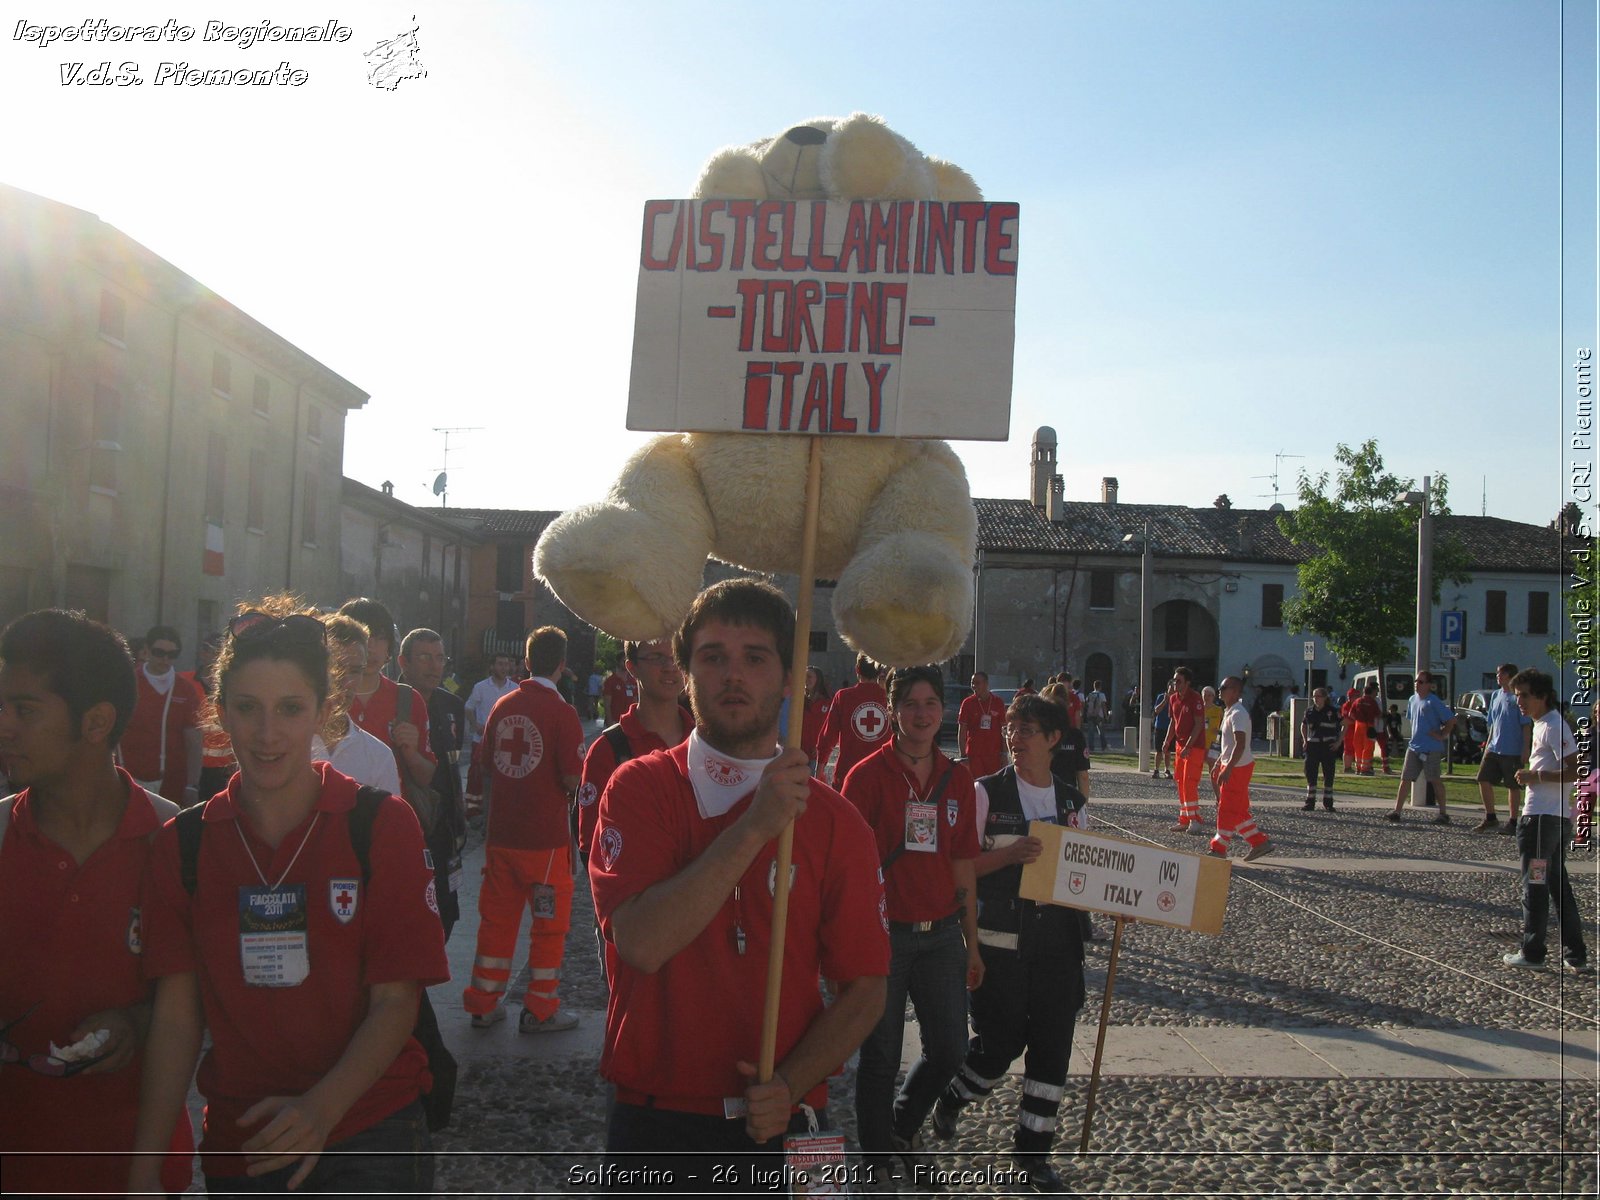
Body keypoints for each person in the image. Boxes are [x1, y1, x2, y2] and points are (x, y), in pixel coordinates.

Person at [130, 599, 449, 1195]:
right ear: (220, 713)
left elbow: (395, 1001)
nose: (268, 733)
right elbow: (176, 1016)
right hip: (246, 1134)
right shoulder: (186, 845)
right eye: (247, 709)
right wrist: (147, 1166)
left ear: (324, 713)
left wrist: (319, 1111)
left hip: (367, 1127)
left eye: (290, 709)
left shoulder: (379, 825)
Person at [589, 579, 888, 1187]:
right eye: (713, 657)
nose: (733, 675)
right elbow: (642, 942)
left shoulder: (837, 821)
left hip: (791, 1116)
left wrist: (791, 1083)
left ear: (790, 678)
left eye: (755, 658)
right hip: (658, 1120)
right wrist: (755, 827)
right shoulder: (636, 789)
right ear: (686, 671)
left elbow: (865, 990)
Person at [0, 610, 194, 1195]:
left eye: (25, 711)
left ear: (96, 722)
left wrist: (135, 1023)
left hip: (137, 1170)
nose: (3, 726)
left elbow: (194, 1006)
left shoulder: (176, 843)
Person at [931, 694, 1086, 1193]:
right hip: (1000, 941)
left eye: (1028, 731)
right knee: (998, 1046)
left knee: (1052, 1048)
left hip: (1058, 945)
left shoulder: (1070, 801)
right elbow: (961, 867)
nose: (1016, 739)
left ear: (1054, 739)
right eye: (1012, 729)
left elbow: (1086, 872)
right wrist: (1011, 856)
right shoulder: (985, 793)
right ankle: (956, 1094)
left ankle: (1033, 1154)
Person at [841, 665, 982, 1180]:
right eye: (911, 704)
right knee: (878, 1058)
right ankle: (876, 1159)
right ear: (893, 712)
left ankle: (902, 1122)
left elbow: (963, 859)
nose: (921, 714)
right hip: (884, 938)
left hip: (943, 933)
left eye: (930, 703)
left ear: (941, 710)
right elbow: (848, 866)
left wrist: (973, 943)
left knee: (950, 1049)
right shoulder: (866, 776)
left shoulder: (957, 777)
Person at [465, 625, 586, 1033]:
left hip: (502, 839)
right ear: (562, 665)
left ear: (526, 662)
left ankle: (482, 1003)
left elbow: (484, 765)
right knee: (549, 927)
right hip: (545, 845)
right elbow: (572, 779)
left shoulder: (502, 706)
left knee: (496, 922)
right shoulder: (563, 713)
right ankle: (540, 1008)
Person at [575, 637, 691, 979]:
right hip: (637, 916)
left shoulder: (706, 739)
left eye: (676, 657)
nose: (669, 667)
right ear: (632, 667)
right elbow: (590, 844)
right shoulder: (609, 748)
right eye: (656, 657)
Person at [1503, 669, 1589, 971]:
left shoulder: (1552, 725)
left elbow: (1577, 769)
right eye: (1517, 696)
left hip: (1541, 820)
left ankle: (1533, 952)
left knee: (1535, 884)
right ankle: (1575, 953)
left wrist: (1534, 776)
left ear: (1541, 695)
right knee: (1556, 885)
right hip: (1553, 819)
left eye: (1524, 695)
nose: (1519, 702)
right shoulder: (1546, 724)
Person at [337, 598, 436, 827]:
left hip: (390, 825)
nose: (371, 646)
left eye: (380, 638)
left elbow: (426, 777)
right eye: (363, 635)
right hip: (331, 825)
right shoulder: (322, 700)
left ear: (390, 646)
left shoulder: (408, 700)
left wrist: (411, 753)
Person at [399, 628, 469, 941]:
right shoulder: (393, 703)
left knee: (447, 910)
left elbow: (453, 768)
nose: (434, 666)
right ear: (404, 662)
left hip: (445, 830)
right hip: (407, 825)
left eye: (440, 658)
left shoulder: (452, 706)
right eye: (425, 658)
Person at [311, 616, 403, 797]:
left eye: (355, 671)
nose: (345, 682)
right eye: (336, 669)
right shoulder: (284, 744)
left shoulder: (379, 756)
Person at [119, 623, 204, 804]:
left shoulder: (185, 690)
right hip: (128, 779)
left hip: (171, 784)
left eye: (172, 654)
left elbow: (194, 740)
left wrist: (192, 785)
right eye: (159, 652)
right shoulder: (127, 683)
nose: (165, 659)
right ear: (147, 650)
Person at [1209, 676, 1273, 861]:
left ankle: (1218, 849)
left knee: (1227, 808)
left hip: (1237, 768)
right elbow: (1228, 745)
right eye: (1220, 687)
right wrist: (1220, 761)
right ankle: (1259, 843)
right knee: (1238, 810)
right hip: (1234, 765)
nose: (1220, 691)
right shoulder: (1229, 711)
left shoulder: (1238, 713)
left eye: (1224, 687)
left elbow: (1240, 744)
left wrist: (1227, 768)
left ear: (1236, 691)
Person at [1387, 670, 1457, 823]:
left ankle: (1443, 813)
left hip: (1431, 748)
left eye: (1421, 682)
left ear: (1429, 685)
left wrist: (1441, 735)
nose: (1417, 684)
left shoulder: (1434, 702)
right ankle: (1397, 811)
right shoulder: (1412, 700)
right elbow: (1414, 721)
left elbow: (1451, 720)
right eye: (1416, 681)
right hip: (1414, 747)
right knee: (1405, 778)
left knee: (1434, 779)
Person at [816, 652, 891, 788]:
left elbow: (828, 736)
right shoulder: (891, 698)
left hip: (847, 775)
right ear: (880, 671)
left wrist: (820, 768)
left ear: (857, 669)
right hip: (884, 776)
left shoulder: (843, 697)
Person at [1475, 663, 1533, 833]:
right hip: (1494, 747)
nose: (1497, 677)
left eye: (1500, 674)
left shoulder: (1518, 697)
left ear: (1509, 676)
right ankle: (1490, 817)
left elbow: (1526, 726)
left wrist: (1525, 749)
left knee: (1512, 786)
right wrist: (1487, 744)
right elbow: (1492, 723)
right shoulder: (1495, 695)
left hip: (1512, 750)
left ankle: (1513, 821)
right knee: (1483, 779)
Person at [465, 652, 518, 819]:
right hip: (481, 740)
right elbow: (468, 707)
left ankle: (497, 812)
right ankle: (473, 811)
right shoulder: (480, 687)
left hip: (506, 743)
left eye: (506, 664)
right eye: (500, 664)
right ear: (492, 666)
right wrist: (475, 725)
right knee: (476, 776)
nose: (503, 668)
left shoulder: (515, 689)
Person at [1164, 668, 1206, 833]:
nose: (1175, 683)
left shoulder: (1195, 698)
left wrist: (1189, 745)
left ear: (1188, 682)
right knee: (1180, 781)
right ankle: (1184, 818)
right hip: (1180, 746)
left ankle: (1195, 819)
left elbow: (1198, 724)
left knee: (1190, 782)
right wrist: (1167, 741)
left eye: (1179, 680)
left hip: (1194, 747)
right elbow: (1173, 723)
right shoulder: (1173, 698)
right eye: (1174, 680)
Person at [1040, 681, 1091, 796]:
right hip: (1068, 796)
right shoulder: (1075, 736)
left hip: (1040, 795)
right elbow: (1083, 776)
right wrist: (1083, 806)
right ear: (1068, 705)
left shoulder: (1038, 734)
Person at [958, 670, 1008, 779]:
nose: (974, 686)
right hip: (974, 755)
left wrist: (1004, 753)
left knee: (994, 786)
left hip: (994, 755)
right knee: (977, 786)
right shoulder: (967, 703)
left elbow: (1003, 729)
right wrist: (963, 756)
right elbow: (962, 731)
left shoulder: (997, 702)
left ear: (986, 684)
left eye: (977, 683)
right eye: (972, 683)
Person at [1300, 686, 1342, 811]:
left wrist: (1339, 742)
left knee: (1328, 774)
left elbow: (1346, 725)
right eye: (1314, 696)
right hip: (1313, 746)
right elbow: (1303, 725)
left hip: (1327, 746)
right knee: (1310, 773)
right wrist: (1304, 739)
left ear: (1324, 697)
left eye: (1318, 696)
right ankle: (1310, 801)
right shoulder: (1309, 711)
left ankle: (1328, 803)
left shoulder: (1333, 711)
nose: (1315, 699)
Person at [799, 665, 832, 776]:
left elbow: (830, 729)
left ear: (818, 680)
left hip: (815, 754)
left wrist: (820, 748)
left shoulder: (827, 703)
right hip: (799, 752)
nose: (806, 679)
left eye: (809, 676)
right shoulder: (798, 701)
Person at [1350, 684, 1382, 775]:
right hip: (1369, 726)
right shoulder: (1372, 702)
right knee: (1368, 747)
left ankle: (1358, 768)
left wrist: (1357, 719)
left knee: (1358, 747)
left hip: (1358, 725)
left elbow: (1350, 714)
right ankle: (1365, 769)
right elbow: (1378, 715)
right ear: (1371, 692)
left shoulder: (1357, 701)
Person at [602, 658, 637, 725]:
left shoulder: (633, 681)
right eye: (623, 661)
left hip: (630, 721)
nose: (625, 663)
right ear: (618, 662)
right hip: (615, 721)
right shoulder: (610, 681)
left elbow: (635, 702)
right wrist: (610, 722)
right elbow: (607, 704)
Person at [1150, 683, 1173, 779]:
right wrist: (1165, 700)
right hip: (1160, 726)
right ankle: (1156, 769)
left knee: (1168, 751)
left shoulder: (1176, 698)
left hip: (1170, 727)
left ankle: (1167, 769)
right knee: (1159, 750)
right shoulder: (1161, 697)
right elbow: (1156, 710)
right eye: (1171, 688)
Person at [1082, 679, 1109, 752]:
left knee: (1091, 732)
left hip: (1090, 716)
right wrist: (1106, 716)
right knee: (1101, 732)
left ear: (1094, 686)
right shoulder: (1102, 695)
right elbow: (1103, 706)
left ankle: (1091, 747)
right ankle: (1104, 746)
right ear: (1100, 687)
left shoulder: (1090, 694)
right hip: (1099, 716)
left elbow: (1086, 704)